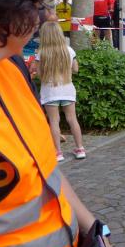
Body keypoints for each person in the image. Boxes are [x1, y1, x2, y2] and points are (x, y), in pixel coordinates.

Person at [0, 0, 125, 247]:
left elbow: (46, 172)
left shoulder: (12, 67)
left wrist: (95, 233)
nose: (42, 17)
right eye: (35, 6)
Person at [33, 22, 86, 162]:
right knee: (72, 119)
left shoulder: (41, 53)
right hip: (67, 89)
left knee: (54, 121)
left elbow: (38, 74)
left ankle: (58, 152)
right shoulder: (69, 50)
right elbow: (75, 69)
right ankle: (80, 148)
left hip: (50, 91)